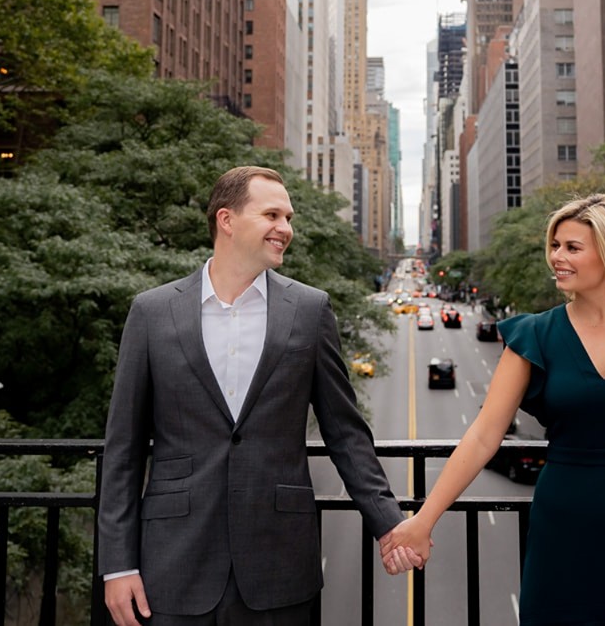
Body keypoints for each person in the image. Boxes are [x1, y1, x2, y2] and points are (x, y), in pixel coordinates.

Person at [98, 165, 423, 625]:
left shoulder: (310, 311)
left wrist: (389, 523)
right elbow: (123, 450)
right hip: (171, 566)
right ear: (226, 220)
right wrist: (118, 562)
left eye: (288, 218)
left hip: (280, 566)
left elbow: (346, 434)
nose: (285, 229)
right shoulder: (152, 312)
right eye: (272, 215)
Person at [382, 193, 605, 624]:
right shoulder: (535, 336)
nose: (557, 257)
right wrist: (425, 518)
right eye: (555, 246)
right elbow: (485, 435)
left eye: (572, 247)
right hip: (564, 524)